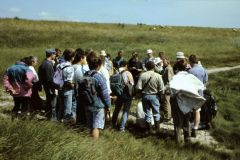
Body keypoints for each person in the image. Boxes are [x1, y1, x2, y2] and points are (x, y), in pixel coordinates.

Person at [170, 59, 205, 143]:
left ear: (177, 69)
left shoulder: (175, 77)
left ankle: (178, 141)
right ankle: (187, 139)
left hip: (177, 102)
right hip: (189, 103)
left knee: (178, 122)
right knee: (187, 120)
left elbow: (172, 90)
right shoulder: (191, 77)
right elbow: (200, 86)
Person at [84, 53, 111, 139]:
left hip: (87, 103)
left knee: (90, 125)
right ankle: (95, 147)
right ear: (99, 65)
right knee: (96, 126)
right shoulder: (99, 77)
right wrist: (108, 106)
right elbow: (105, 94)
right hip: (98, 105)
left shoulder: (85, 75)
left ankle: (88, 142)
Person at [136, 61, 164, 134]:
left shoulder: (142, 75)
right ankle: (157, 130)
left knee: (147, 113)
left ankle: (148, 130)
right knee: (156, 112)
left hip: (145, 96)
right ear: (154, 67)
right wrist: (161, 97)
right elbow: (161, 89)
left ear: (146, 67)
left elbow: (138, 87)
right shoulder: (158, 76)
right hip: (155, 96)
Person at [188, 54, 208, 137]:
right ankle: (195, 129)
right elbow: (205, 82)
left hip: (191, 93)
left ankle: (187, 127)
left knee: (188, 111)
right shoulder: (203, 70)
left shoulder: (190, 71)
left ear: (190, 61)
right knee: (197, 111)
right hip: (200, 93)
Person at [112, 60, 134, 132]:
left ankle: (113, 124)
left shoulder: (116, 73)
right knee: (125, 111)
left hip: (118, 93)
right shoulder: (128, 73)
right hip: (127, 94)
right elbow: (131, 84)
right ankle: (122, 128)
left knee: (117, 109)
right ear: (126, 65)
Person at [57, 48, 76, 122]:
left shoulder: (59, 65)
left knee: (60, 108)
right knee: (67, 110)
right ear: (72, 57)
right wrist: (73, 86)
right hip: (67, 91)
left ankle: (57, 124)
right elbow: (69, 82)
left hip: (59, 89)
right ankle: (65, 126)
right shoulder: (70, 67)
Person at [38, 49, 57, 118]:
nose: (55, 55)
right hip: (50, 87)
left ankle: (48, 116)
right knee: (52, 104)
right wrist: (54, 89)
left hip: (46, 86)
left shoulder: (44, 63)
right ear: (51, 55)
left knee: (49, 101)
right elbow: (50, 79)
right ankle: (51, 118)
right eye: (54, 54)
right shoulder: (48, 64)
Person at [72, 48, 89, 125]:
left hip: (74, 91)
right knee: (79, 109)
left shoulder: (73, 66)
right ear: (81, 58)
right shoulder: (79, 69)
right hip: (79, 92)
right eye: (85, 58)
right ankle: (78, 124)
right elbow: (80, 82)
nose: (86, 60)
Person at [160, 56, 174, 122]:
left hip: (167, 88)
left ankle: (168, 116)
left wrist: (164, 88)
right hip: (166, 87)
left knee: (166, 102)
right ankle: (167, 115)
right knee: (166, 102)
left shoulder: (168, 69)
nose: (163, 62)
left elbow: (169, 80)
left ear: (167, 61)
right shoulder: (166, 68)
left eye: (164, 61)